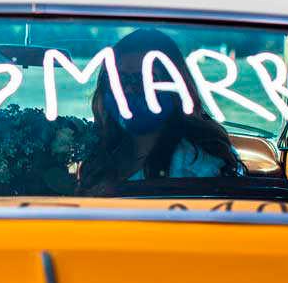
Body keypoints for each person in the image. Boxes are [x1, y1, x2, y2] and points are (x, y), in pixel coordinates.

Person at [78, 28, 244, 195]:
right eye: (117, 79)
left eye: (143, 79)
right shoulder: (101, 147)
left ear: (175, 86)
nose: (127, 89)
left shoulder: (197, 163)